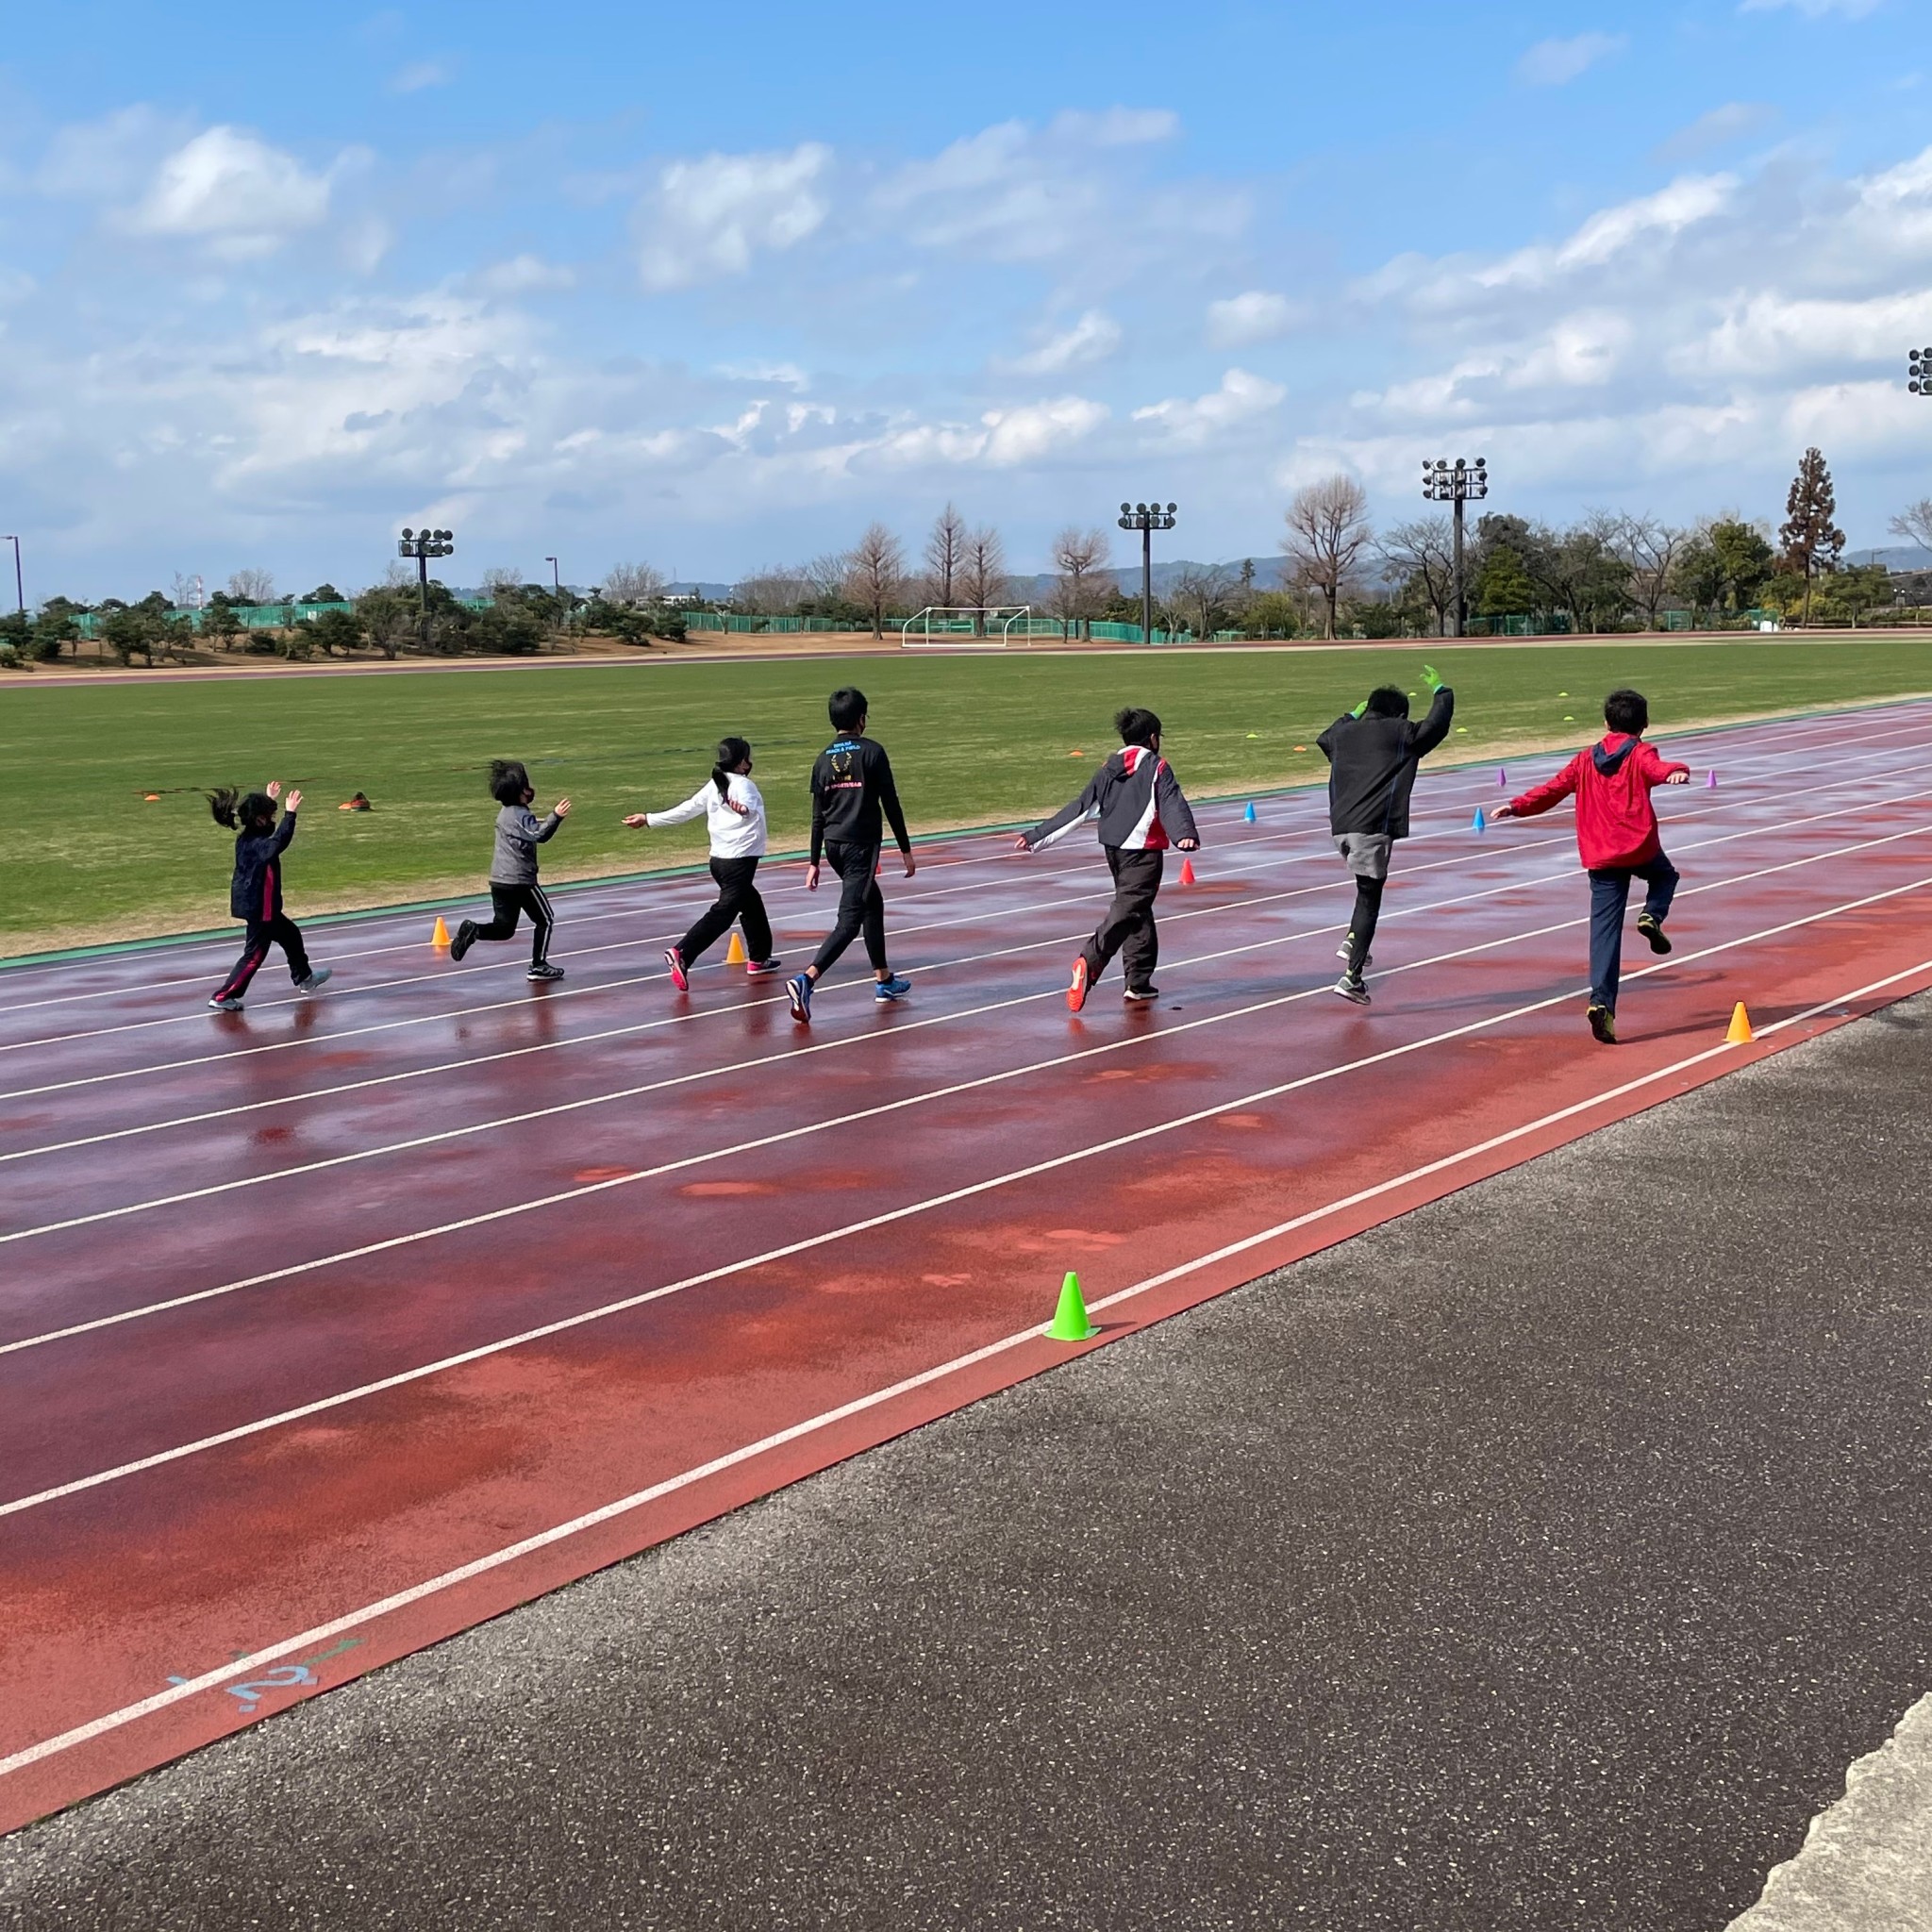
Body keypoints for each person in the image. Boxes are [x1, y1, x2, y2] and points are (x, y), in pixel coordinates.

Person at [1493, 687, 1690, 1044]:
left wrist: (1517, 806)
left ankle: (1602, 1003)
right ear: (1645, 724)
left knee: (1604, 934)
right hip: (1638, 848)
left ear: (1605, 723)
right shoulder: (1642, 752)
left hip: (1600, 855)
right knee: (1666, 876)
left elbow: (1552, 790)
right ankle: (1652, 916)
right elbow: (1657, 768)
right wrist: (1676, 771)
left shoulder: (1585, 759)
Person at [1014, 706, 1200, 1010]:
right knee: (1127, 910)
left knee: (1137, 912)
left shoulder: (1109, 767)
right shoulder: (1157, 767)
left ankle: (1138, 982)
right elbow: (1171, 801)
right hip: (1143, 851)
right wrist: (1184, 834)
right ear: (1153, 738)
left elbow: (1081, 806)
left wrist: (1038, 835)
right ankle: (1090, 961)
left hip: (1114, 850)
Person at [1316, 664, 1456, 1007]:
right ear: (1398, 714)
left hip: (1341, 829)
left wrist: (1351, 714)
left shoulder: (1343, 734)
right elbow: (1436, 727)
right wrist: (1442, 692)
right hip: (1371, 828)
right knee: (1369, 897)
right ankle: (1352, 975)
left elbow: (1324, 737)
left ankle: (1355, 944)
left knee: (1364, 892)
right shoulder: (1400, 733)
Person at [787, 687, 915, 1023]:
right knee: (849, 920)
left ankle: (884, 980)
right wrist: (906, 850)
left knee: (873, 903)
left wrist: (814, 861)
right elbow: (891, 803)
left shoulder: (821, 759)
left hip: (834, 848)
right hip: (859, 848)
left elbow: (817, 814)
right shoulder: (873, 752)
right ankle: (807, 980)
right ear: (862, 719)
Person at [624, 735, 782, 989]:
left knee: (751, 904)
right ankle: (682, 953)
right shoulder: (744, 785)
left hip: (719, 862)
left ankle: (759, 958)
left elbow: (687, 809)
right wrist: (741, 809)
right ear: (742, 763)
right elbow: (748, 807)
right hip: (737, 862)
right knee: (724, 912)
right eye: (748, 758)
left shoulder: (715, 784)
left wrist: (648, 818)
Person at [206, 781, 332, 1011]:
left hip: (264, 907)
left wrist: (270, 799)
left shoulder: (250, 837)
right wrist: (290, 814)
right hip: (260, 909)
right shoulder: (257, 845)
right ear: (260, 819)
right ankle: (223, 996)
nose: (274, 820)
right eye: (271, 816)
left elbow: (269, 833)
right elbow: (277, 843)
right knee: (254, 956)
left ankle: (305, 978)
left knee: (291, 935)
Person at [448, 759, 572, 980]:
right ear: (519, 791)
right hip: (520, 881)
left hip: (499, 881)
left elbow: (527, 830)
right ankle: (538, 965)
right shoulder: (519, 814)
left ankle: (474, 930)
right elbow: (538, 835)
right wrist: (556, 817)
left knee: (504, 929)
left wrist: (541, 820)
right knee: (546, 919)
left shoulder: (506, 813)